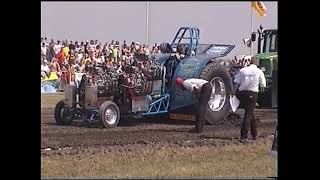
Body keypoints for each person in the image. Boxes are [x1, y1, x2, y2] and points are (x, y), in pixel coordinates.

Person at [233, 56, 266, 143]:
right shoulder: (259, 71)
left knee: (250, 112)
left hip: (242, 93)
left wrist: (233, 93)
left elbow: (236, 83)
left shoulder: (243, 70)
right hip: (252, 93)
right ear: (257, 63)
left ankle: (254, 133)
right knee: (248, 114)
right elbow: (263, 84)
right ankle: (244, 136)